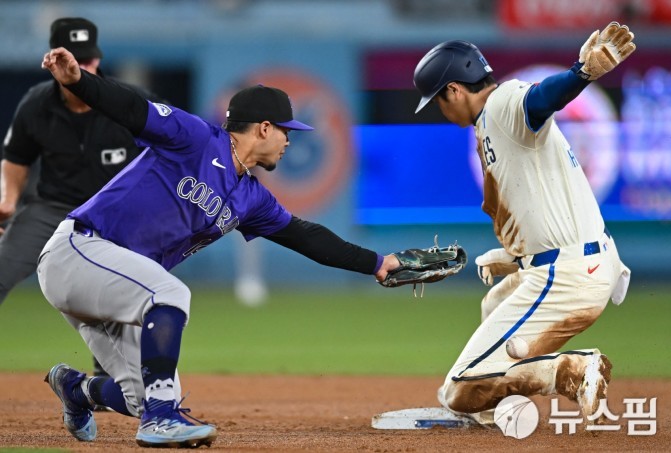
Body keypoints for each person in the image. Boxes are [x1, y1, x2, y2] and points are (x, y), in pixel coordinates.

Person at [39, 46, 400, 448]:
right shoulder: (194, 138)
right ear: (264, 128)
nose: (288, 141)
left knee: (140, 396)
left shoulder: (251, 197)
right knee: (169, 293)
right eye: (286, 130)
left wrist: (377, 263)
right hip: (78, 250)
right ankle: (160, 421)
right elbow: (129, 107)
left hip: (114, 280)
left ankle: (76, 389)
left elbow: (305, 236)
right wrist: (78, 81)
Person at [412, 22, 634, 427]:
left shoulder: (500, 104)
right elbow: (540, 202)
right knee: (494, 303)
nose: (441, 112)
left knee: (458, 390)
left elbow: (539, 100)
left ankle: (571, 371)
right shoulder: (490, 126)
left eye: (438, 102)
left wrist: (580, 74)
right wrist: (514, 257)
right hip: (567, 264)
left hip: (568, 275)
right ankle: (492, 402)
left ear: (454, 90)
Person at [0, 17, 163, 379]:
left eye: (88, 60)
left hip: (113, 215)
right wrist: (8, 202)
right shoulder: (36, 104)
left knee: (120, 290)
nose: (81, 67)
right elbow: (16, 158)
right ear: (53, 63)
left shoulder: (128, 102)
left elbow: (174, 146)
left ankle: (109, 377)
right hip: (53, 209)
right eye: (72, 60)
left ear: (97, 60)